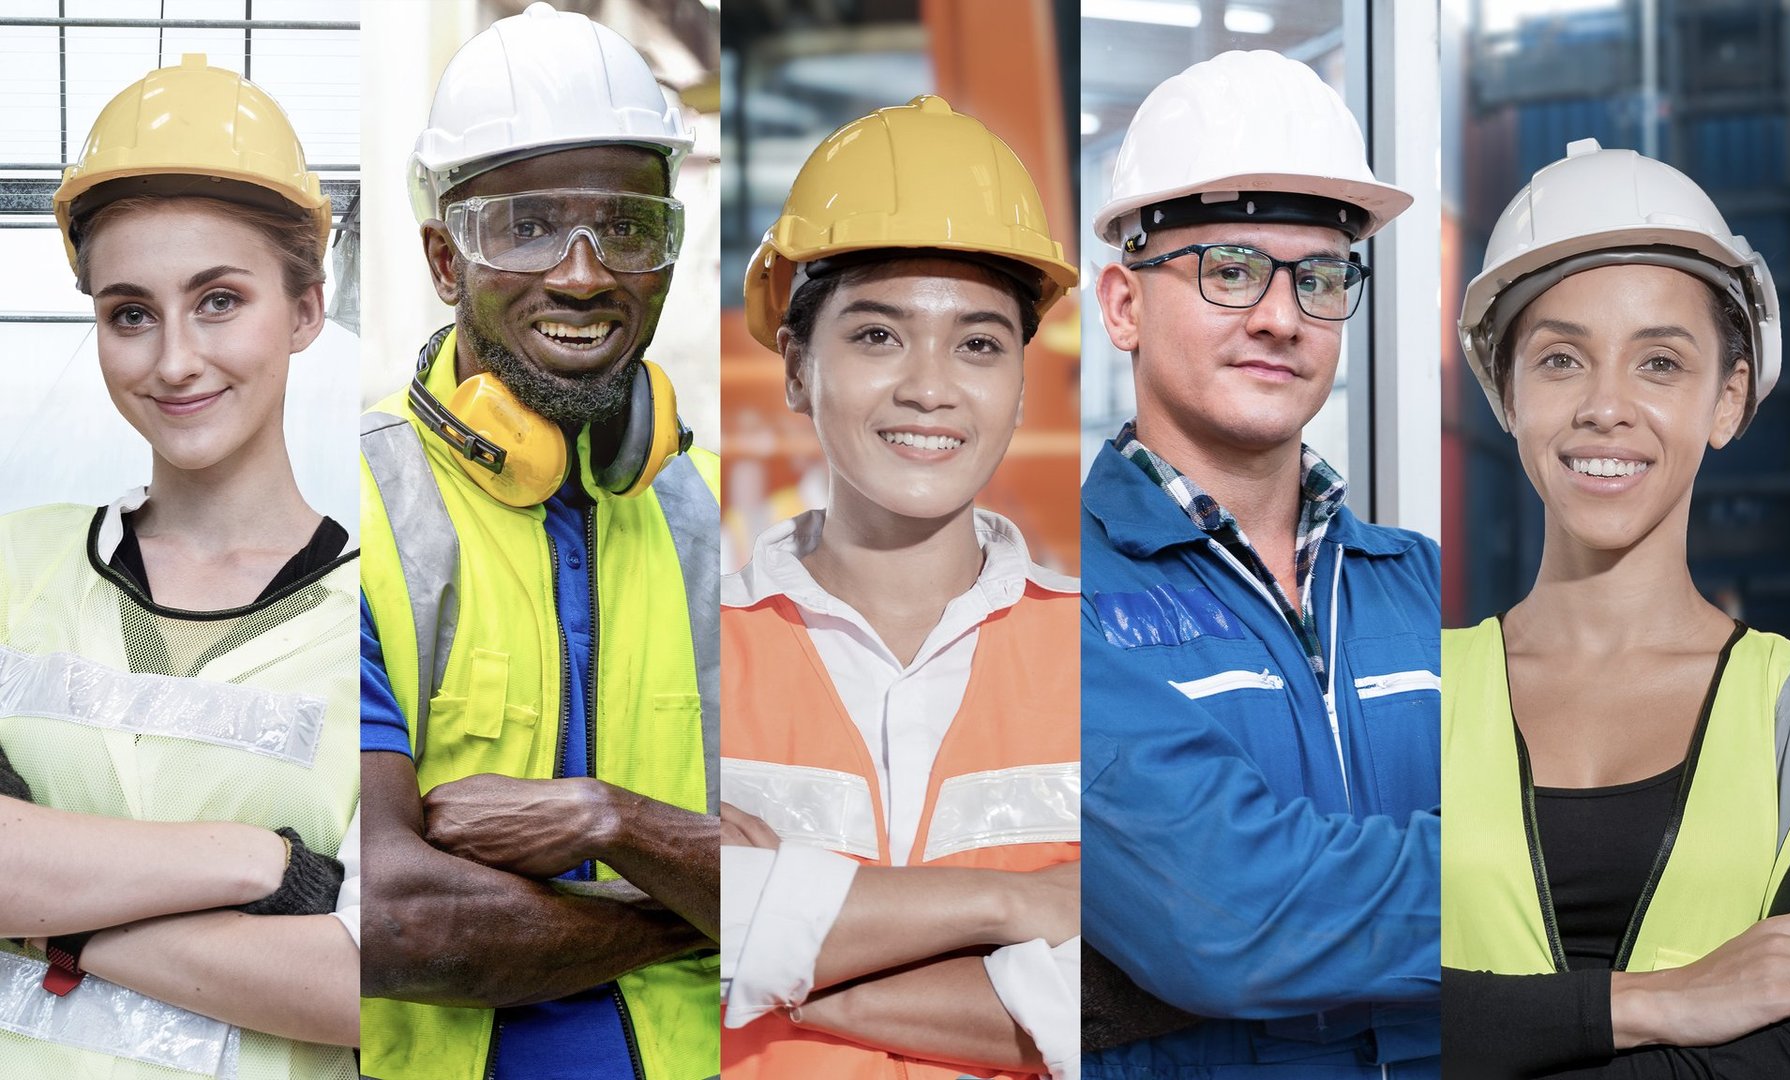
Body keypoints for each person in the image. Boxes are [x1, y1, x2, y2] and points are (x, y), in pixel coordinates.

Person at [356, 5, 720, 1079]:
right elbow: (390, 913)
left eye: (627, 225)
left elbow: (830, 877)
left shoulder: (706, 521)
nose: (582, 273)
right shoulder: (362, 507)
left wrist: (613, 823)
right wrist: (716, 912)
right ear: (441, 257)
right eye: (523, 225)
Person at [1080, 51, 1442, 1078]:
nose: (1282, 316)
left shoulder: (1426, 588)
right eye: (1231, 269)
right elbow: (1233, 915)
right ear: (1123, 305)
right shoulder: (1055, 604)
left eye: (1321, 277)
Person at [0, 54, 360, 1079]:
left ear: (302, 310)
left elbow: (364, 986)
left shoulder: (388, 615)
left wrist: (49, 915)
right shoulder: (13, 562)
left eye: (218, 300)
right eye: (130, 312)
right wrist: (266, 865)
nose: (172, 361)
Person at [718, 95, 1082, 1079]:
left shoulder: (1114, 662)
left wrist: (774, 955)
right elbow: (645, 932)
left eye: (977, 343)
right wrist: (1018, 905)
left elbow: (1133, 985)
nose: (930, 386)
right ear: (796, 367)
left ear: (1019, 380)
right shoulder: (683, 655)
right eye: (877, 336)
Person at [1444, 138, 1790, 1079]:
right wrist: (1662, 1004)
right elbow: (1334, 1012)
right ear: (1507, 393)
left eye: (1659, 364)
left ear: (1726, 402)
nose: (1607, 407)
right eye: (1562, 359)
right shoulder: (1406, 690)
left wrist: (1485, 1027)